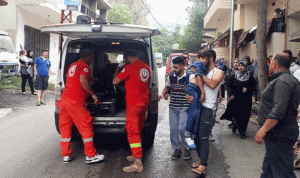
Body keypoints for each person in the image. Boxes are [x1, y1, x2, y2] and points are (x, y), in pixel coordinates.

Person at [255, 53, 300, 178]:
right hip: (277, 134)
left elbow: (279, 110)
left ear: (274, 64)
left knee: (283, 173)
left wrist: (262, 130)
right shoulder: (285, 80)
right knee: (268, 170)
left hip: (279, 134)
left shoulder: (283, 82)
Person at [58, 49, 104, 164]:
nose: (91, 61)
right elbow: (83, 81)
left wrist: (91, 79)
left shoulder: (72, 66)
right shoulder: (85, 66)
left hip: (65, 100)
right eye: (91, 59)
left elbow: (74, 79)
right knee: (86, 126)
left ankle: (66, 155)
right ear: (88, 58)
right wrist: (93, 94)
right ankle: (91, 155)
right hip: (76, 102)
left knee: (65, 127)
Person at [112, 50, 151, 173]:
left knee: (132, 131)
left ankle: (138, 163)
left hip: (134, 104)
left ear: (129, 57)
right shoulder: (147, 67)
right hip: (144, 103)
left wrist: (118, 68)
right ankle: (136, 155)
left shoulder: (130, 67)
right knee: (138, 129)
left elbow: (115, 81)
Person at [188, 49, 224, 176]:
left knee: (203, 135)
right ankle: (200, 158)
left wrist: (199, 73)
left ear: (210, 58)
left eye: (204, 58)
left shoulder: (219, 72)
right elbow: (193, 85)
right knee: (196, 135)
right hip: (197, 106)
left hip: (208, 108)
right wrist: (188, 96)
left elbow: (213, 85)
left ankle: (203, 165)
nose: (201, 60)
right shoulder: (202, 71)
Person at [158, 56, 191, 160]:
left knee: (182, 129)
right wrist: (163, 93)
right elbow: (167, 87)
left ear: (182, 67)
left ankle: (187, 147)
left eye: (176, 67)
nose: (174, 69)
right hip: (173, 107)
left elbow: (195, 90)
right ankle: (177, 149)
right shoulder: (172, 75)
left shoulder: (189, 76)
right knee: (173, 129)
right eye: (173, 67)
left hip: (184, 107)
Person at [221, 61, 256, 139]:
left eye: (242, 65)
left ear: (245, 67)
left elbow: (254, 86)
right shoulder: (234, 76)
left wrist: (248, 90)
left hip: (246, 99)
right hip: (236, 98)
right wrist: (231, 94)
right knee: (237, 114)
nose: (240, 67)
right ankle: (235, 124)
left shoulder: (249, 76)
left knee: (245, 115)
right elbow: (228, 85)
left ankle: (242, 131)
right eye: (239, 65)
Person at [184, 53, 206, 148]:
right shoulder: (198, 63)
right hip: (192, 88)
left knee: (197, 114)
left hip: (196, 89)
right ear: (198, 58)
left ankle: (193, 135)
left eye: (206, 58)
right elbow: (197, 76)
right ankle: (188, 134)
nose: (204, 60)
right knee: (193, 113)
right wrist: (203, 92)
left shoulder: (202, 66)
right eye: (202, 58)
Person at [222, 59, 239, 127]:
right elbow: (226, 81)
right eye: (234, 62)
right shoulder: (229, 71)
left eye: (237, 62)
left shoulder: (242, 71)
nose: (235, 64)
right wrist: (230, 92)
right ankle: (230, 120)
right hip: (231, 91)